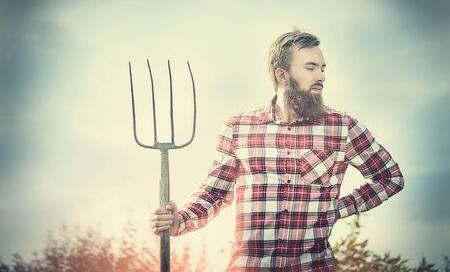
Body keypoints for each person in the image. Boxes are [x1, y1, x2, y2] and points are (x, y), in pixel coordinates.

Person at [149, 29, 405, 271]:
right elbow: (214, 194)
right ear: (281, 75)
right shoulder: (238, 128)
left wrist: (337, 209)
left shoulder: (342, 127)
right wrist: (179, 221)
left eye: (323, 68)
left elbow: (390, 178)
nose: (321, 76)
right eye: (311, 67)